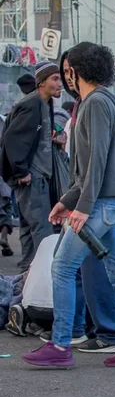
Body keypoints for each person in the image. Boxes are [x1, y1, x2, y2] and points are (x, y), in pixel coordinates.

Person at [24, 42, 115, 368]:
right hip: (112, 201)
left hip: (100, 204)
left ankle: (61, 344)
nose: (66, 77)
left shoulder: (95, 103)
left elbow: (94, 161)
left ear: (77, 70)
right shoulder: (103, 101)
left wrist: (81, 206)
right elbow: (92, 164)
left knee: (63, 268)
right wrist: (67, 201)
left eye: (68, 70)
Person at [1, 62, 61, 271]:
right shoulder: (32, 103)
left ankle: (27, 270)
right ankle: (44, 276)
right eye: (54, 79)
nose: (59, 83)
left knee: (27, 227)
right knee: (42, 229)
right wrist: (21, 171)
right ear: (41, 82)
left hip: (39, 176)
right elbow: (11, 139)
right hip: (32, 178)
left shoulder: (45, 103)